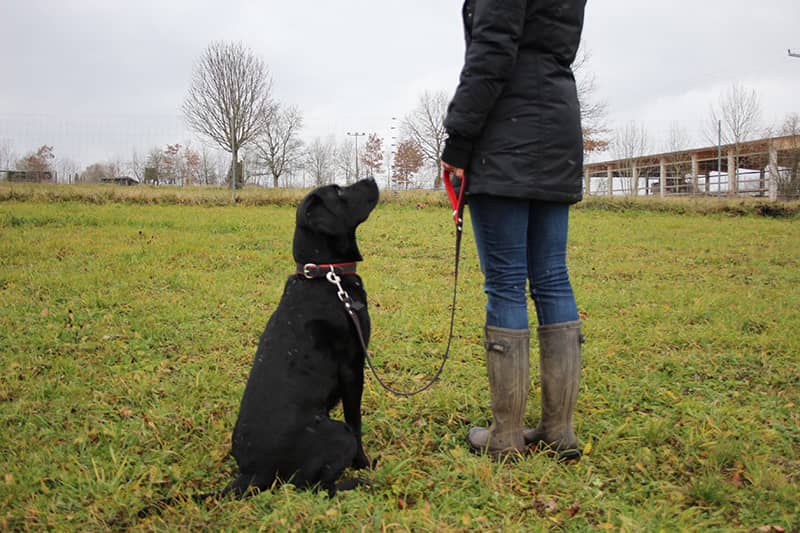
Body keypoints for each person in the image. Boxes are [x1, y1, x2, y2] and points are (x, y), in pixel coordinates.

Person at [441, 0, 587, 460]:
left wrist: (459, 138)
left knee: (505, 285)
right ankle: (558, 430)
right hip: (557, 128)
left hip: (506, 135)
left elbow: (492, 51)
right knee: (552, 278)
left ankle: (506, 436)